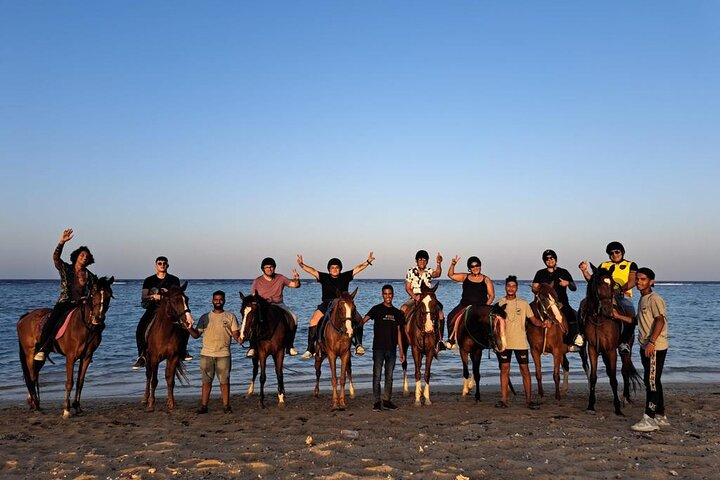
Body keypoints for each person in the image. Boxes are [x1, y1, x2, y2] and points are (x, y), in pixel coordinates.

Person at [612, 268, 670, 432]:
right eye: (637, 279)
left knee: (650, 381)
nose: (639, 282)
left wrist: (651, 342)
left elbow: (660, 321)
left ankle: (649, 419)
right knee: (654, 380)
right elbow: (637, 320)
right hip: (646, 346)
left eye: (643, 279)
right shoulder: (642, 299)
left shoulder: (654, 299)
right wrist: (618, 316)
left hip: (655, 347)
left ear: (652, 281)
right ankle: (660, 415)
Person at [34, 228, 98, 361]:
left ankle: (87, 350)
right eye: (82, 255)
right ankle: (43, 348)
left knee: (97, 324)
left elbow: (94, 292)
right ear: (76, 256)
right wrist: (61, 242)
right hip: (65, 303)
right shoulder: (65, 268)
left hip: (81, 305)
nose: (84, 257)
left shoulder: (90, 276)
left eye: (86, 256)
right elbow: (56, 258)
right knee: (52, 321)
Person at [297, 252, 375, 359]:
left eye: (337, 267)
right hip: (327, 303)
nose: (334, 269)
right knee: (313, 321)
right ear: (329, 269)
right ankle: (310, 348)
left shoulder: (345, 276)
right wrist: (302, 265)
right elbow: (313, 271)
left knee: (359, 320)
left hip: (343, 304)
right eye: (332, 268)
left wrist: (368, 262)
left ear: (340, 269)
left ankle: (358, 344)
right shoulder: (324, 277)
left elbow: (358, 268)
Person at [495, 275, 548, 409]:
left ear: (516, 288)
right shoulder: (498, 303)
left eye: (513, 286)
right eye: (508, 286)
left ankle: (529, 400)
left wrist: (543, 324)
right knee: (504, 369)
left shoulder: (524, 303)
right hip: (504, 343)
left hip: (520, 343)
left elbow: (533, 320)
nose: (511, 288)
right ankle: (504, 399)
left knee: (525, 370)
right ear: (505, 287)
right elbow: (493, 325)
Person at [579, 241, 638, 354]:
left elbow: (632, 282)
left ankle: (624, 342)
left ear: (622, 252)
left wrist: (619, 289)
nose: (615, 254)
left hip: (622, 295)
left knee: (630, 314)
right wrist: (584, 271)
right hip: (603, 296)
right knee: (583, 305)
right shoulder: (604, 265)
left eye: (617, 252)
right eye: (611, 253)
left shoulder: (630, 264)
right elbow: (592, 281)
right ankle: (581, 335)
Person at [187, 291, 241, 414]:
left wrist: (241, 339)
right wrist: (188, 327)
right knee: (206, 382)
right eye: (216, 299)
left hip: (224, 354)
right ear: (212, 301)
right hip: (206, 354)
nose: (218, 301)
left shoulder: (230, 316)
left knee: (225, 382)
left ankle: (226, 406)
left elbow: (236, 335)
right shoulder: (205, 317)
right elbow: (196, 335)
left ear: (224, 301)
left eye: (220, 299)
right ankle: (204, 406)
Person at [132, 256, 182, 369]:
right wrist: (153, 296)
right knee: (141, 326)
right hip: (153, 308)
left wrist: (163, 296)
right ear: (156, 266)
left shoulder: (174, 280)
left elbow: (177, 295)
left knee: (184, 326)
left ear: (167, 265)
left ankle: (183, 351)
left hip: (170, 309)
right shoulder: (149, 280)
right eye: (160, 263)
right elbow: (144, 296)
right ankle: (141, 355)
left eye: (164, 263)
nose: (162, 265)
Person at [362, 284, 406, 411]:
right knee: (377, 376)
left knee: (389, 376)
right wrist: (356, 327)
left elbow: (399, 333)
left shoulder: (397, 313)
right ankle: (377, 402)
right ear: (382, 295)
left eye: (390, 294)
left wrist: (401, 351)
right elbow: (364, 321)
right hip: (378, 348)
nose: (388, 296)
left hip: (391, 349)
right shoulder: (376, 309)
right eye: (385, 294)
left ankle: (386, 401)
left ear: (393, 295)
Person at [247, 257, 301, 358]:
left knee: (294, 317)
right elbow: (254, 297)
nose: (269, 269)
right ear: (263, 269)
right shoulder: (257, 281)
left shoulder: (280, 278)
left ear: (274, 268)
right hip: (263, 306)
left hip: (278, 304)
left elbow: (295, 285)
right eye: (266, 267)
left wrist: (297, 279)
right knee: (252, 320)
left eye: (271, 267)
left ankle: (290, 346)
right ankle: (252, 347)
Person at [531, 249, 583, 350]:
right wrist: (536, 288)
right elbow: (534, 287)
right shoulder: (540, 273)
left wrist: (567, 283)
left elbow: (574, 287)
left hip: (561, 302)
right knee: (529, 312)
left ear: (555, 259)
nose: (550, 261)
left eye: (552, 258)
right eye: (547, 259)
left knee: (573, 316)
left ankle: (572, 341)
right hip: (544, 303)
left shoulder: (563, 272)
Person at [445, 256, 494, 349]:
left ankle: (491, 342)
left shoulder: (486, 279)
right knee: (451, 316)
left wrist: (486, 307)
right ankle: (451, 340)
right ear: (469, 268)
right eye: (472, 266)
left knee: (492, 321)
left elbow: (491, 296)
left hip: (480, 307)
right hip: (464, 305)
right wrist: (453, 264)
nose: (475, 268)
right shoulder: (465, 277)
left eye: (477, 265)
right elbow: (451, 275)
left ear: (480, 266)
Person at [402, 250, 446, 350]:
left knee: (441, 315)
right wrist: (415, 296)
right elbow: (408, 288)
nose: (422, 261)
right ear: (416, 261)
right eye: (420, 259)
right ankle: (401, 336)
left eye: (424, 260)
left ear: (426, 261)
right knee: (402, 309)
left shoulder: (429, 271)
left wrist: (439, 263)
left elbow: (437, 274)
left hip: (428, 298)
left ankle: (440, 340)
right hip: (415, 297)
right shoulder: (410, 271)